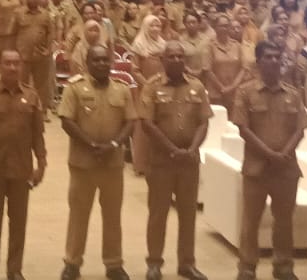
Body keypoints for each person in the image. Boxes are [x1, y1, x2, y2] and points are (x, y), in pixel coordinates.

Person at [58, 44, 139, 280]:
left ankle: (114, 264)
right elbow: (66, 120)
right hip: (83, 163)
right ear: (88, 63)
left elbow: (130, 122)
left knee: (113, 215)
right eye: (97, 60)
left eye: (106, 60)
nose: (102, 64)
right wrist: (90, 144)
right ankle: (72, 262)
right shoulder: (74, 88)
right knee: (79, 215)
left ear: (111, 63)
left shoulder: (121, 90)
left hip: (112, 164)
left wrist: (114, 145)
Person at [231, 40, 307, 280]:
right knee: (250, 221)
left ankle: (283, 266)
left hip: (286, 170)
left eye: (278, 57)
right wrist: (270, 154)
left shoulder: (293, 94)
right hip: (256, 168)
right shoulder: (245, 92)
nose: (275, 61)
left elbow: (300, 129)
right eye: (269, 57)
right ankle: (247, 268)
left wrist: (283, 153)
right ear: (259, 61)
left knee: (284, 221)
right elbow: (244, 129)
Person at [0, 49, 47, 280]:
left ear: (21, 66)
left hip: (21, 170)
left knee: (18, 224)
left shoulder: (32, 97)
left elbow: (37, 135)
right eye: (8, 63)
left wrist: (41, 164)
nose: (13, 67)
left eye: (16, 63)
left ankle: (14, 270)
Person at [139, 42, 211, 280]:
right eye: (172, 56)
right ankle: (154, 263)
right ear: (163, 59)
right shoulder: (151, 87)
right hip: (161, 162)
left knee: (188, 214)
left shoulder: (197, 86)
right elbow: (147, 124)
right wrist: (172, 149)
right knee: (158, 214)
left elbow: (203, 121)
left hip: (189, 162)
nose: (177, 60)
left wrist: (191, 149)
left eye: (181, 56)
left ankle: (187, 263)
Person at [14, 0, 57, 111]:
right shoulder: (18, 13)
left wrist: (48, 49)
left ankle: (41, 111)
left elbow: (50, 33)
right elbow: (13, 33)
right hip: (22, 55)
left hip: (41, 55)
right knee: (22, 84)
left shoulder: (45, 14)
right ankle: (21, 108)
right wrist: (13, 52)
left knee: (41, 85)